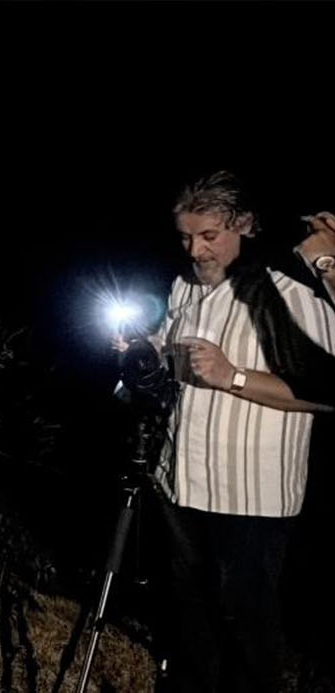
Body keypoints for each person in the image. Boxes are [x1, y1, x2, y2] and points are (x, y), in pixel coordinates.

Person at [119, 171, 335, 692]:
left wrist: (232, 376)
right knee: (191, 625)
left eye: (209, 235)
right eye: (186, 237)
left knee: (246, 631)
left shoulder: (288, 295)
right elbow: (174, 365)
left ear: (244, 225)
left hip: (251, 497)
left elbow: (322, 392)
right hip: (180, 485)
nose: (196, 250)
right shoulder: (184, 288)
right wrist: (145, 357)